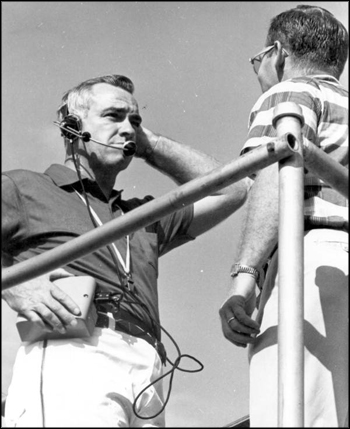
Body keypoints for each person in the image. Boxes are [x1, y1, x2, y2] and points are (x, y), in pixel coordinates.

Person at [2, 74, 249, 427]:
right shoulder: (26, 188)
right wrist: (14, 283)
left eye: (135, 120)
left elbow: (232, 190)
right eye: (113, 116)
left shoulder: (140, 215)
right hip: (75, 354)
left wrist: (148, 144)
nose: (129, 128)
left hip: (148, 368)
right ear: (72, 126)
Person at [219, 5, 348, 428]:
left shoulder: (290, 93)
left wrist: (244, 278)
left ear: (277, 52)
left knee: (292, 410)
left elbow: (276, 177)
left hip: (314, 261)